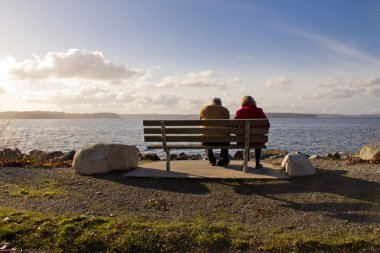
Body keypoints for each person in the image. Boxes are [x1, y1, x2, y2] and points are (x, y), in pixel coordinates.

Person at [234, 95, 269, 169]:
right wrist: (260, 132)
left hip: (242, 140)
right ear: (253, 102)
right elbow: (267, 125)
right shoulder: (259, 111)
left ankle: (245, 162)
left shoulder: (239, 112)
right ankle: (257, 164)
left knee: (246, 140)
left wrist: (239, 134)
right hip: (257, 140)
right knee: (257, 141)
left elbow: (234, 126)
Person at [200, 97, 230, 166]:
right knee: (228, 134)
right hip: (222, 141)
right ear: (220, 103)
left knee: (205, 135)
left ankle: (211, 160)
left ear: (212, 102)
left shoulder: (204, 109)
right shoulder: (225, 110)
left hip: (207, 141)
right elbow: (228, 125)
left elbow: (201, 121)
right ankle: (223, 158)